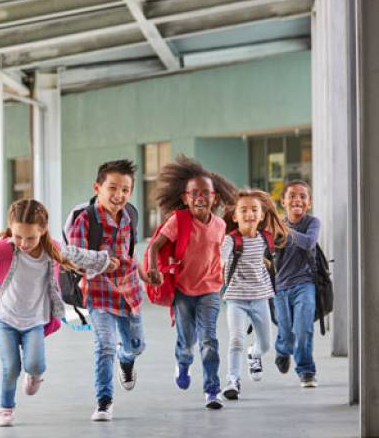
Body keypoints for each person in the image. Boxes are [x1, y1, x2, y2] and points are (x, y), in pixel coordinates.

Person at [0, 199, 117, 427]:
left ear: (43, 231)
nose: (24, 243)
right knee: (11, 368)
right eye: (18, 236)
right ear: (11, 228)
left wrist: (104, 261)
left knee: (36, 365)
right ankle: (6, 408)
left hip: (34, 321)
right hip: (4, 318)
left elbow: (78, 255)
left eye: (31, 237)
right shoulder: (5, 248)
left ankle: (34, 374)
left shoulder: (51, 250)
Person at [145, 156, 236, 409]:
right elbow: (155, 246)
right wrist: (153, 269)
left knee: (209, 340)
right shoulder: (179, 220)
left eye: (205, 192)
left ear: (214, 197)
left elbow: (223, 254)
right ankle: (183, 363)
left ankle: (212, 390)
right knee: (187, 341)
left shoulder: (219, 225)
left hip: (210, 290)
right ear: (185, 198)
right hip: (184, 290)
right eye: (194, 193)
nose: (200, 197)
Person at [67, 160, 145, 422]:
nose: (119, 195)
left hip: (129, 292)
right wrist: (100, 261)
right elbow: (74, 258)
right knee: (105, 346)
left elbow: (130, 255)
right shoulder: (85, 220)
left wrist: (147, 274)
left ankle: (128, 360)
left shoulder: (129, 216)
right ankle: (104, 401)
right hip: (99, 292)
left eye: (125, 189)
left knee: (135, 346)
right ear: (97, 187)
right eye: (112, 188)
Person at [219, 189, 288, 400]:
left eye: (254, 210)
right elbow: (221, 257)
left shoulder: (266, 238)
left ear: (261, 215)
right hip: (236, 299)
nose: (249, 214)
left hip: (260, 298)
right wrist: (218, 266)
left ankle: (254, 354)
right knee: (236, 339)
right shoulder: (231, 240)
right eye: (244, 210)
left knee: (266, 344)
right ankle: (232, 381)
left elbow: (269, 257)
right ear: (235, 216)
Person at [273, 180, 321, 387]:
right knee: (286, 330)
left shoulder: (312, 223)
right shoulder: (275, 225)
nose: (297, 200)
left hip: (305, 283)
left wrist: (286, 233)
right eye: (292, 195)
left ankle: (306, 370)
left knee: (303, 329)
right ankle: (282, 350)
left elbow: (309, 242)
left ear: (309, 203)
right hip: (280, 286)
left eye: (303, 196)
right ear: (283, 201)